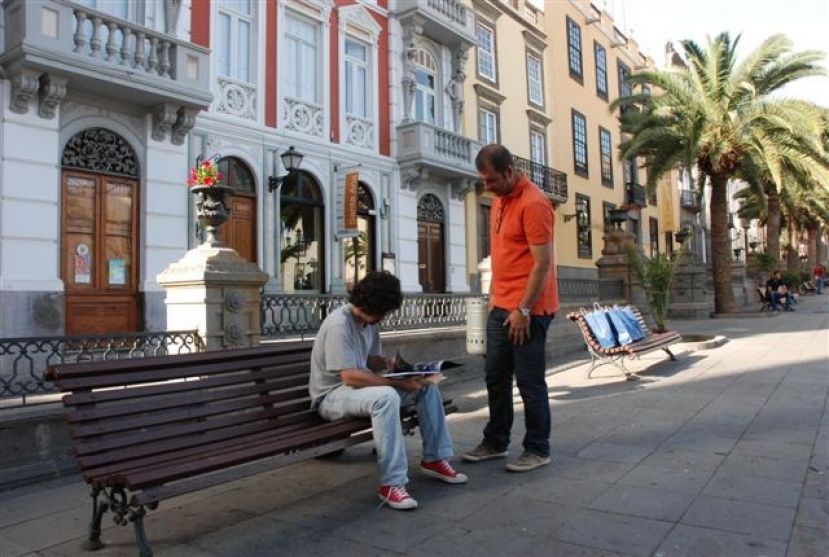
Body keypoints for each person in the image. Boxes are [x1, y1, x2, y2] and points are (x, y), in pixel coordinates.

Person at [309, 271, 467, 511]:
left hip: (354, 393)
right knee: (386, 397)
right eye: (381, 312)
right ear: (369, 304)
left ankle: (435, 458)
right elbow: (349, 375)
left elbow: (369, 360)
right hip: (331, 397)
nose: (382, 318)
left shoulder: (368, 322)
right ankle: (391, 484)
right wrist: (399, 384)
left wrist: (387, 363)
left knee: (425, 386)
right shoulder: (339, 324)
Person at [462, 144, 559, 473]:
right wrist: (494, 298)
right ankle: (495, 441)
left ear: (509, 171)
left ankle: (537, 448)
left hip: (530, 309)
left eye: (489, 180)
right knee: (494, 376)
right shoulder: (499, 201)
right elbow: (506, 256)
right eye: (482, 180)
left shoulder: (535, 204)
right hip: (501, 304)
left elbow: (542, 264)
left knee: (529, 381)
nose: (485, 186)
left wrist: (524, 310)